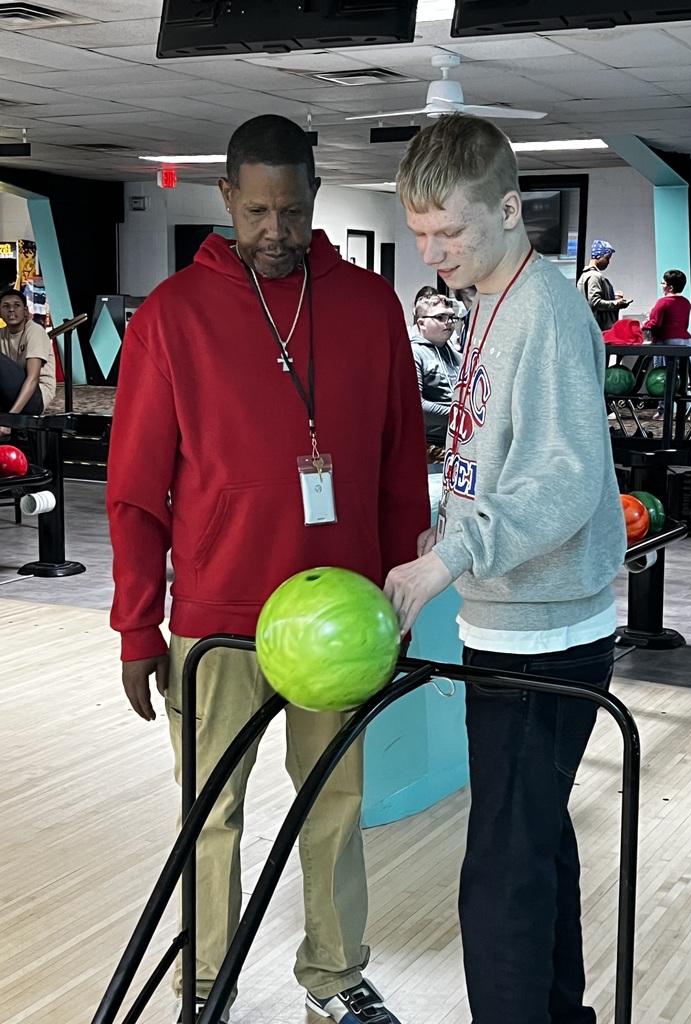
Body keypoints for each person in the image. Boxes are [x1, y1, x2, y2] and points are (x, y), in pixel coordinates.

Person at [106, 114, 429, 1024]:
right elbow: (134, 492)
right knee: (209, 816)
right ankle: (206, 985)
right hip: (219, 622)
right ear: (226, 198)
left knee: (335, 806)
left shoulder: (371, 307)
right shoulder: (172, 318)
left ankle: (335, 973)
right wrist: (136, 627)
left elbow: (401, 470)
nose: (276, 231)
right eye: (256, 212)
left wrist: (400, 598)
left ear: (315, 195)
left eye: (291, 211)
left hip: (343, 621)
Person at [382, 113, 626, 1024]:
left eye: (450, 230)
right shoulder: (487, 297)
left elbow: (565, 480)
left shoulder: (546, 311)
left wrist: (456, 553)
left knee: (501, 877)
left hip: (544, 638)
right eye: (420, 233)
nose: (432, 252)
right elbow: (499, 456)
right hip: (511, 622)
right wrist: (448, 525)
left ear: (511, 209)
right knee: (534, 848)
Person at [411, 292, 462, 454]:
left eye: (451, 317)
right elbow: (416, 406)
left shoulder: (458, 356)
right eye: (440, 317)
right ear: (422, 323)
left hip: (459, 442)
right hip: (430, 448)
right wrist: (460, 415)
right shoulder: (413, 353)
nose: (448, 323)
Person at [0, 288, 56, 436]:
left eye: (17, 305)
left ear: (25, 311)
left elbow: (33, 379)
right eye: (5, 306)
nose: (11, 309)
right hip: (11, 395)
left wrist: (9, 421)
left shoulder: (35, 331)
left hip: (36, 397)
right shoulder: (2, 334)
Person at [643, 269, 691, 419]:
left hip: (665, 342)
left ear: (670, 287)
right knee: (682, 377)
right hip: (685, 342)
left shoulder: (663, 302)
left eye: (663, 283)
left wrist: (644, 324)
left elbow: (655, 323)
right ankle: (685, 411)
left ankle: (663, 411)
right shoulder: (686, 302)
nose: (661, 285)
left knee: (662, 377)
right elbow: (685, 324)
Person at [576, 240, 632, 331]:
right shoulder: (594, 276)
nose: (608, 262)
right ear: (599, 256)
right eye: (607, 258)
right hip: (600, 330)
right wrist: (617, 304)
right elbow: (595, 302)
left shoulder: (585, 276)